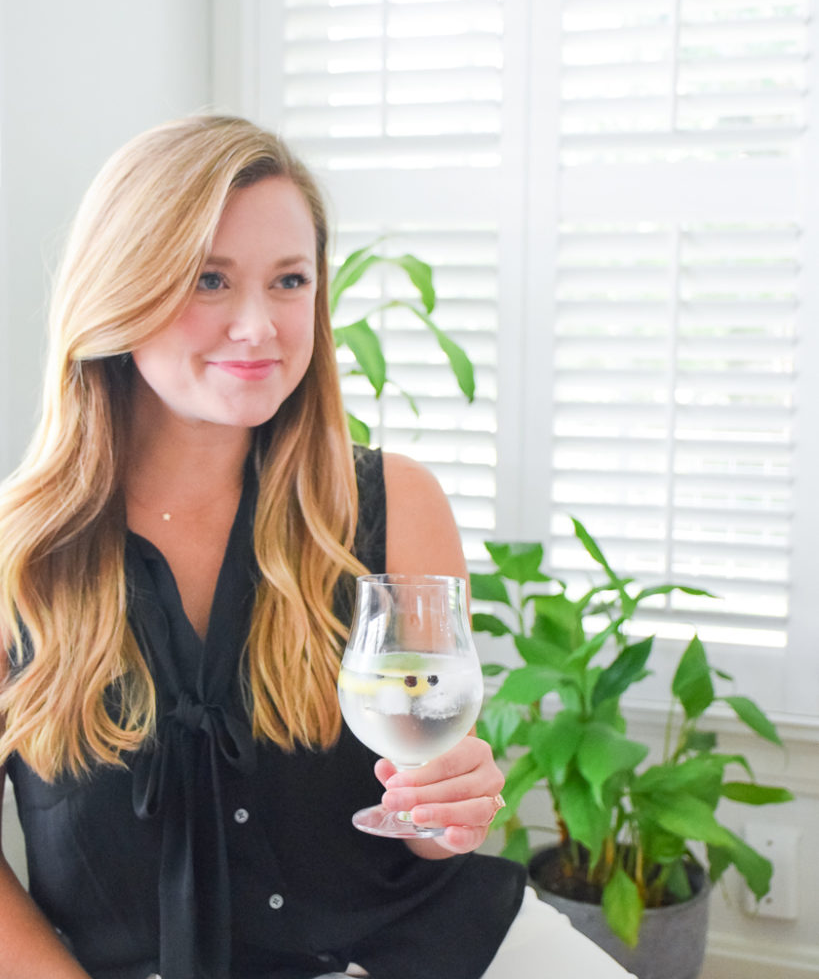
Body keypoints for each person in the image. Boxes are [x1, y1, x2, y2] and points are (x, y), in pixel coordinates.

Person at [0, 114, 634, 979]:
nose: (258, 327)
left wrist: (451, 803)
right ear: (120, 288)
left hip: (434, 948)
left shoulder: (394, 504)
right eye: (209, 280)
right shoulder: (17, 554)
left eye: (289, 280)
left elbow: (427, 822)